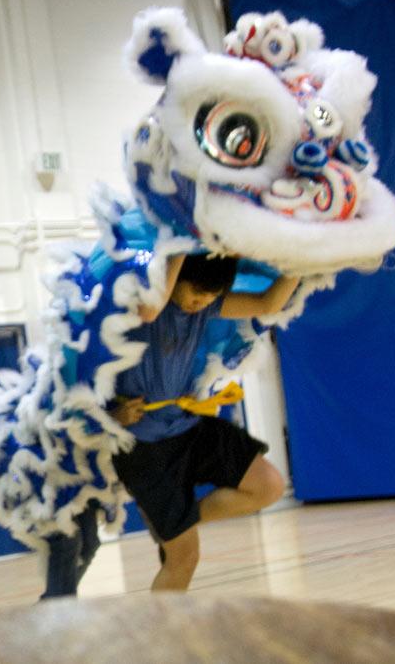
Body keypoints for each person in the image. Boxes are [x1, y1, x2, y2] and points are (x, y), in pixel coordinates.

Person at [108, 254, 292, 592]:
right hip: (142, 446)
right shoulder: (144, 305)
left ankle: (178, 520)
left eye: (210, 296)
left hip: (188, 425)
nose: (202, 302)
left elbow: (269, 302)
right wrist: (181, 242)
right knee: (185, 558)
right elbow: (152, 307)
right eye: (196, 293)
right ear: (175, 280)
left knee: (269, 486)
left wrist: (304, 267)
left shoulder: (206, 307)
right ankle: (163, 637)